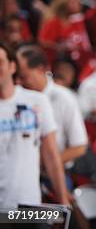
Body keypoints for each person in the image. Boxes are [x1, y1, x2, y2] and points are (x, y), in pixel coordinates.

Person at [0, 42, 70, 207]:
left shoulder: (37, 101)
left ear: (12, 66)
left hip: (29, 203)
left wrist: (63, 201)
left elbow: (51, 155)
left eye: (0, 62)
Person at [16, 44, 88, 166]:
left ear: (41, 70)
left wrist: (44, 165)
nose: (18, 82)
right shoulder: (16, 95)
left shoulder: (64, 97)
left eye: (23, 77)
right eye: (16, 77)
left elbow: (79, 146)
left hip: (53, 172)